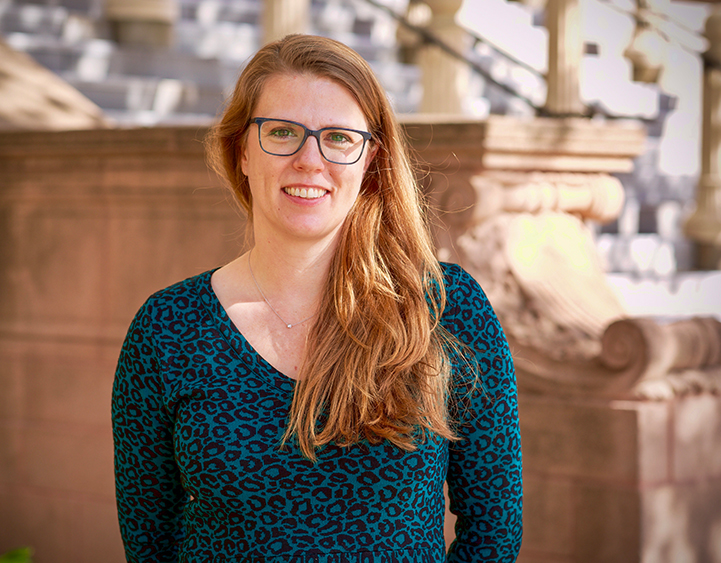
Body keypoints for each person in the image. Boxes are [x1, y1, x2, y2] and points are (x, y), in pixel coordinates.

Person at [112, 34, 522, 562]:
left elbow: (493, 532)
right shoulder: (167, 328)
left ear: (371, 158)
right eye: (281, 132)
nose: (310, 159)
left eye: (338, 137)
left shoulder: (444, 308)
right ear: (241, 151)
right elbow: (150, 543)